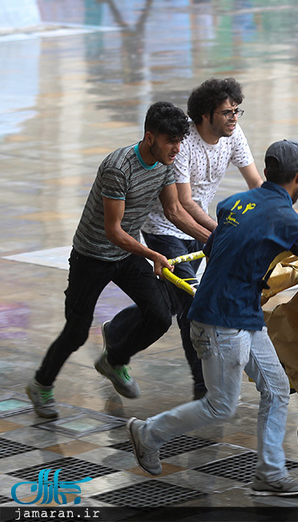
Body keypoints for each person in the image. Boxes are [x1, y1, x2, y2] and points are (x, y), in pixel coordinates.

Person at [126, 140, 298, 496]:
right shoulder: (290, 221)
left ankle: (269, 473)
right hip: (221, 323)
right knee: (220, 405)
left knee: (276, 389)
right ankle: (148, 432)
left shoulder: (234, 203)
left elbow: (216, 250)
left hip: (242, 315)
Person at [26, 101, 211, 419]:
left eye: (180, 142)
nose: (177, 149)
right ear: (150, 137)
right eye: (171, 141)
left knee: (159, 316)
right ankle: (41, 384)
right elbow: (112, 230)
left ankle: (114, 359)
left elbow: (174, 211)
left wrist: (216, 240)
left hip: (126, 254)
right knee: (77, 332)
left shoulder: (166, 163)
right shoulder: (118, 167)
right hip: (92, 256)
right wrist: (153, 253)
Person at [118, 77, 262, 401]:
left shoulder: (233, 135)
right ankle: (204, 387)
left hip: (199, 225)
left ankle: (115, 335)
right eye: (227, 112)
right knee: (191, 305)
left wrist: (274, 210)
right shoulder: (183, 143)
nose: (234, 118)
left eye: (237, 111)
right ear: (204, 115)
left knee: (168, 304)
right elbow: (182, 205)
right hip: (165, 229)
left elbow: (255, 180)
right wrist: (221, 234)